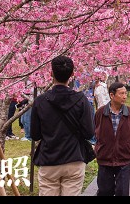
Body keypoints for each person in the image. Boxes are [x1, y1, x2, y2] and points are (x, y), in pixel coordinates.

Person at [31, 54, 95, 196]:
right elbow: (89, 133)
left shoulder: (40, 101)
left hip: (49, 159)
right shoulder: (81, 100)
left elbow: (35, 134)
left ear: (51, 73)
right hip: (74, 158)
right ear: (72, 74)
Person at [94, 81, 130, 196]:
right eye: (121, 93)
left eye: (125, 93)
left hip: (123, 157)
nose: (124, 96)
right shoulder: (101, 112)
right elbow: (96, 132)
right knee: (104, 191)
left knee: (122, 192)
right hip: (105, 157)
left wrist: (125, 144)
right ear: (112, 95)